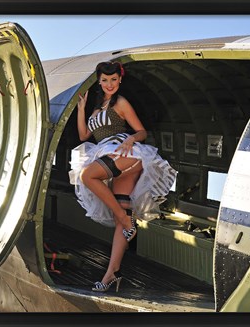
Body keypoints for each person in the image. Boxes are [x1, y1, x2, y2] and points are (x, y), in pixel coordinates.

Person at [69, 61, 177, 292]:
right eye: (105, 80)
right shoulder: (97, 107)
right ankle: (111, 274)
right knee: (121, 215)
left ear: (120, 80)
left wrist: (130, 139)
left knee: (88, 176)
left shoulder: (121, 102)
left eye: (114, 80)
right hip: (105, 151)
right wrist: (81, 110)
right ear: (99, 81)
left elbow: (141, 131)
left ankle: (127, 222)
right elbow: (83, 135)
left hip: (124, 151)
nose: (110, 84)